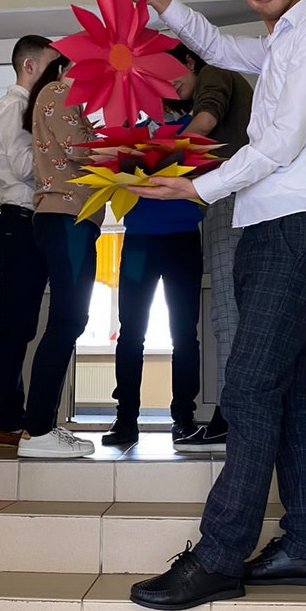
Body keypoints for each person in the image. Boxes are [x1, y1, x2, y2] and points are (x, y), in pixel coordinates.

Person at [120, 0, 306, 610]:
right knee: (282, 391)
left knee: (249, 387)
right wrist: (166, 3)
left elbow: (282, 143)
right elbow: (221, 48)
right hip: (264, 231)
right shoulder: (280, 42)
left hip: (296, 228)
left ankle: (220, 555)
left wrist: (198, 187)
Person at [102, 102, 204, 448]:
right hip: (139, 241)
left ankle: (184, 418)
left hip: (183, 238)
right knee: (131, 331)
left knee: (184, 333)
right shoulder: (132, 132)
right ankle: (125, 419)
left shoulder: (195, 128)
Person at [167, 44, 253, 454]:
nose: (169, 86)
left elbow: (205, 119)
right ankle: (243, 414)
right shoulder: (226, 82)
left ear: (190, 60)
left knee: (227, 311)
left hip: (231, 198)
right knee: (244, 310)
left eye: (170, 73)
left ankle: (230, 418)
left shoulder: (214, 72)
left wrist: (157, 156)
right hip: (246, 196)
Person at [16, 56, 104, 458]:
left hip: (71, 217)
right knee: (68, 318)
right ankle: (36, 431)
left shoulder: (66, 99)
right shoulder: (59, 91)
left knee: (69, 319)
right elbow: (80, 150)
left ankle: (42, 425)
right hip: (66, 216)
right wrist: (131, 152)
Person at [0, 35, 60, 448]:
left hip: (27, 222)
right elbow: (24, 165)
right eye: (51, 66)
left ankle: (13, 419)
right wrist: (64, 154)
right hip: (18, 220)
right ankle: (8, 420)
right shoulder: (15, 107)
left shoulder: (26, 107)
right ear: (29, 66)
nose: (57, 75)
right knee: (15, 326)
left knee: (21, 324)